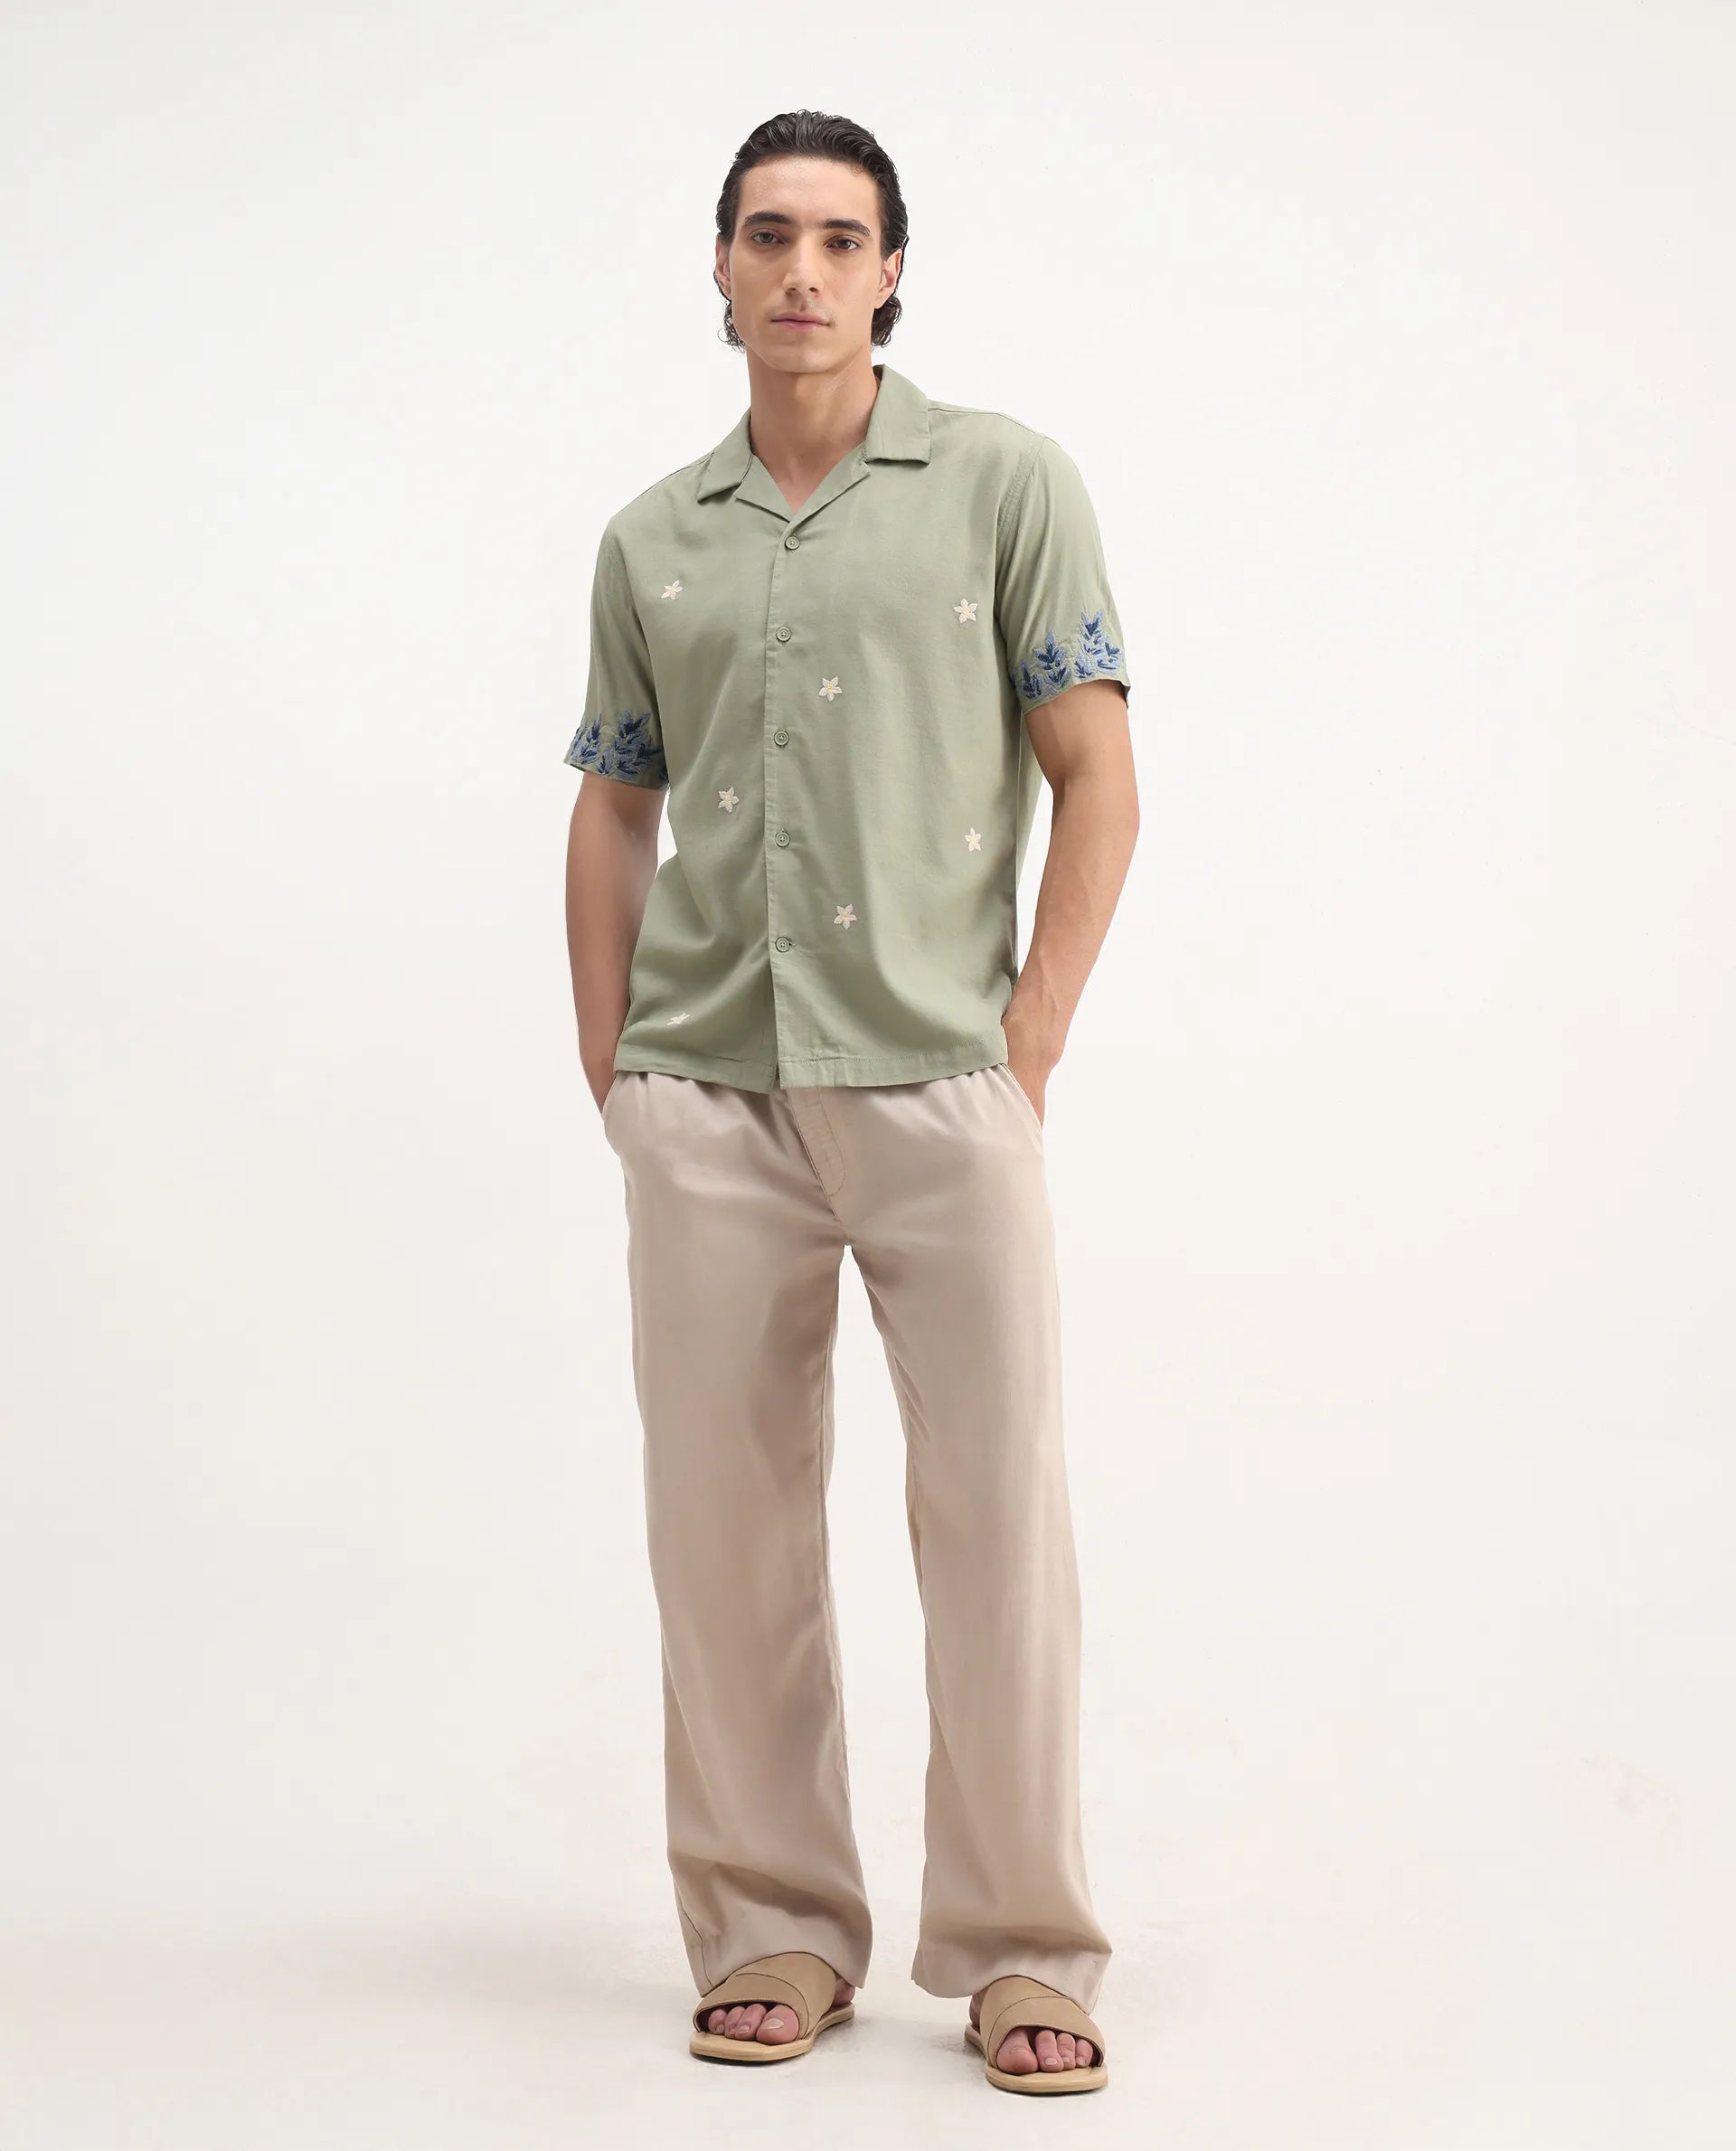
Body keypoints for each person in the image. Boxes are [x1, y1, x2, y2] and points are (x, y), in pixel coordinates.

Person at [562, 108, 1137, 2097]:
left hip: (938, 1079)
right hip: (708, 1093)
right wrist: (617, 1064)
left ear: (892, 272)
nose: (801, 270)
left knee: (998, 1520)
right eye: (767, 235)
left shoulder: (1002, 483)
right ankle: (771, 1926)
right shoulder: (656, 535)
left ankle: (1026, 1944)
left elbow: (1096, 770)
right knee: (722, 1533)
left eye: (838, 238)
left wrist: (1027, 1039)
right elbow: (613, 804)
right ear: (719, 268)